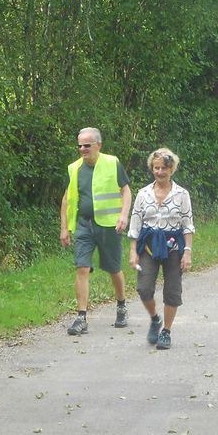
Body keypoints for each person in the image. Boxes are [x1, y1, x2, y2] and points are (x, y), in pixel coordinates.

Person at [60, 127, 132, 335]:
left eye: (87, 145)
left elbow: (126, 190)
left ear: (98, 145)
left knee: (113, 268)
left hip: (109, 225)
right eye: (80, 145)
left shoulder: (112, 163)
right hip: (83, 225)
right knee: (82, 268)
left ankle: (121, 306)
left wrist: (123, 215)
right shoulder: (73, 168)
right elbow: (66, 199)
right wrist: (64, 228)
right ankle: (81, 317)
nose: (82, 149)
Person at [128, 149, 194, 350]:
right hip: (148, 246)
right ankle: (155, 318)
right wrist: (133, 251)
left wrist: (188, 252)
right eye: (156, 168)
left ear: (171, 169)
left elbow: (187, 224)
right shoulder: (143, 193)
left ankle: (166, 331)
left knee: (172, 291)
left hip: (173, 246)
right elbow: (135, 222)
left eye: (164, 168)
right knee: (144, 288)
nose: (159, 172)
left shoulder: (182, 194)